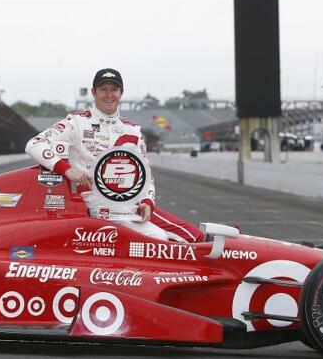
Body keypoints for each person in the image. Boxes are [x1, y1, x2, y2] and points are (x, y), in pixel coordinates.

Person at [25, 68, 202, 242]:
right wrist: (67, 169)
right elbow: (34, 144)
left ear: (121, 92)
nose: (109, 95)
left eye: (114, 89)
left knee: (183, 236)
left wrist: (148, 201)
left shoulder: (132, 130)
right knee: (158, 239)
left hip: (129, 206)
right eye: (103, 89)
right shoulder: (77, 122)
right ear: (94, 92)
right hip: (96, 206)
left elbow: (146, 175)